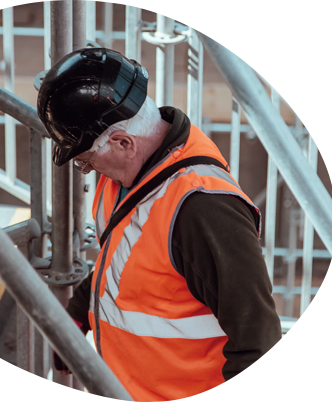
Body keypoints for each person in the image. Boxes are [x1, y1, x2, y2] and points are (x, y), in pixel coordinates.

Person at [37, 47, 282, 402]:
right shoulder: (128, 176)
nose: (87, 170)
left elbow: (258, 342)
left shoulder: (202, 209)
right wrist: (79, 312)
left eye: (86, 160)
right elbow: (125, 258)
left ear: (123, 142)